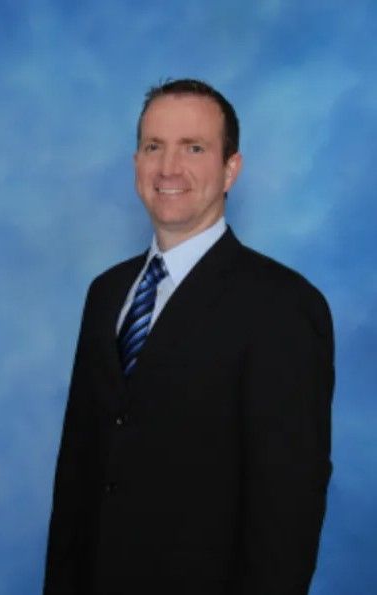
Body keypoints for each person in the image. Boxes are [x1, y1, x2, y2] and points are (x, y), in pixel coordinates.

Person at [43, 79, 334, 595]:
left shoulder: (284, 307)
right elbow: (77, 477)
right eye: (154, 147)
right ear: (136, 163)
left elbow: (287, 516)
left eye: (193, 148)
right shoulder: (107, 294)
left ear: (230, 170)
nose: (168, 168)